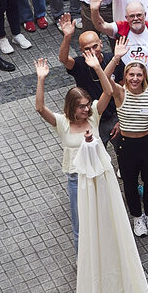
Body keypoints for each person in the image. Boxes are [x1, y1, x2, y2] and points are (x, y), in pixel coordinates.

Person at [34, 53, 112, 250]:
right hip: (77, 179)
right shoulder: (62, 122)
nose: (86, 110)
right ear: (72, 107)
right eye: (81, 107)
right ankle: (82, 260)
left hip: (98, 175)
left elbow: (108, 92)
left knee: (103, 219)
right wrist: (41, 79)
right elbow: (40, 108)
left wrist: (97, 68)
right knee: (79, 225)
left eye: (87, 105)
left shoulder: (94, 116)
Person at [110, 51, 148, 237]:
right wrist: (116, 58)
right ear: (125, 75)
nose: (134, 78)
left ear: (144, 77)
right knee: (130, 184)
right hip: (126, 146)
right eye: (131, 74)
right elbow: (103, 76)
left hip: (147, 144)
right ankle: (137, 216)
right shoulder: (119, 93)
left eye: (139, 75)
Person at [58, 15, 122, 143]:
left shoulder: (113, 60)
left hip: (115, 116)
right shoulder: (80, 64)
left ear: (101, 44)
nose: (92, 51)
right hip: (91, 118)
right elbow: (64, 59)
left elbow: (124, 91)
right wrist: (67, 36)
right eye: (87, 49)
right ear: (81, 50)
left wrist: (122, 120)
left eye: (95, 46)